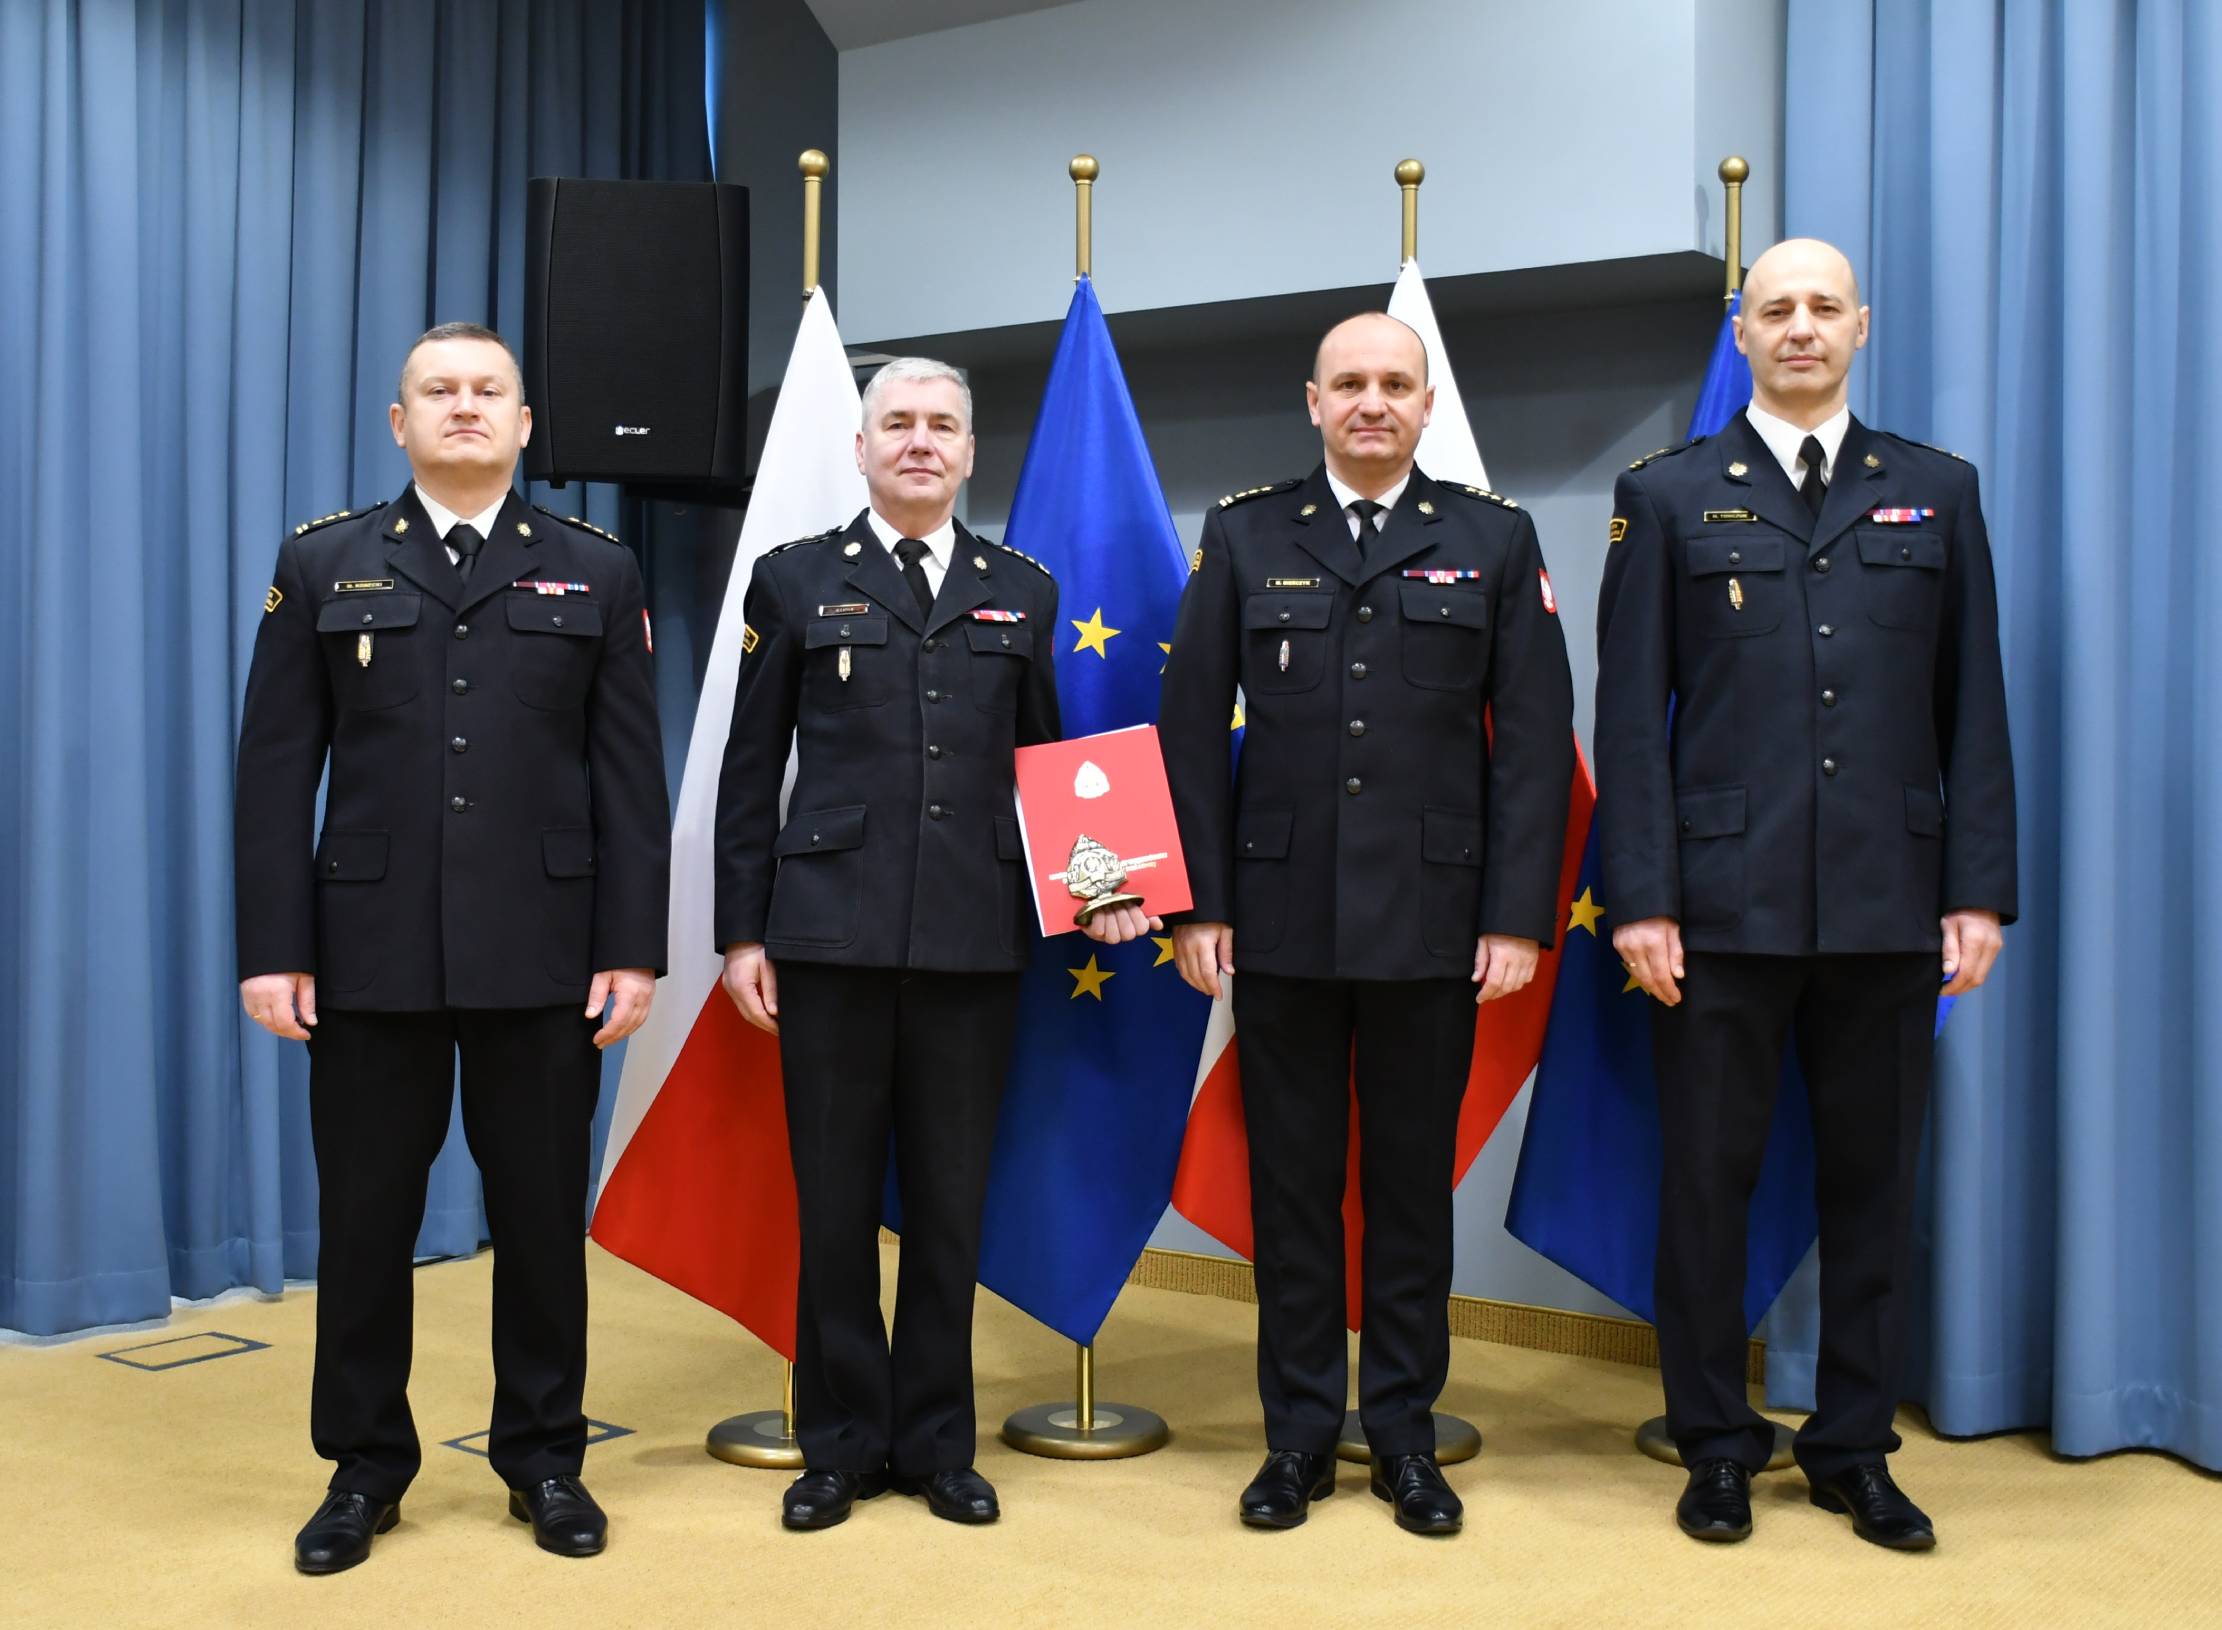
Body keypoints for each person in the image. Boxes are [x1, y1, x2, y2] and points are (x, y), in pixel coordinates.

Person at [1595, 238, 2016, 1550]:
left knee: (1872, 1192)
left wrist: (1977, 891)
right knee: (1704, 1188)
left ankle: (1851, 1448)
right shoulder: (1666, 493)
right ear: (1742, 331)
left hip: (1889, 903)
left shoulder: (1933, 490)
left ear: (1858, 326)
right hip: (1716, 907)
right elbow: (1630, 719)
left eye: (1822, 307)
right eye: (1774, 308)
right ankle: (1715, 1444)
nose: (1798, 327)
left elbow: (1973, 704)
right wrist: (1639, 896)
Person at [235, 322, 669, 1572]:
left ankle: (544, 1458)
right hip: (368, 953)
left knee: (537, 1222)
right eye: (439, 390)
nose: (464, 406)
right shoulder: (323, 562)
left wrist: (632, 947)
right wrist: (274, 947)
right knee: (364, 1223)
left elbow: (628, 778)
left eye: (488, 390)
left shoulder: (595, 569)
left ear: (524, 424)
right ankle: (363, 1467)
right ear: (400, 421)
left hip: (546, 952)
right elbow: (276, 771)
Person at [1150, 313, 1574, 1536]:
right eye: (1349, 383)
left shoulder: (1491, 538)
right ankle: (1294, 1437)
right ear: (1313, 401)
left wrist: (1515, 917)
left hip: (1432, 923)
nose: (1371, 401)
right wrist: (1196, 903)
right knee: (1290, 1193)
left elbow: (1533, 741)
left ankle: (1400, 1434)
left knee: (1406, 1193)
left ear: (1425, 402)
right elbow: (1189, 728)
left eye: (1394, 382)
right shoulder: (1244, 532)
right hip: (1277, 919)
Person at [715, 357, 1060, 1531]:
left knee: (951, 1208)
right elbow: (749, 768)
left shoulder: (1022, 588)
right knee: (833, 1204)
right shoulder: (794, 578)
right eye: (897, 422)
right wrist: (741, 931)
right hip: (829, 937)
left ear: (968, 452)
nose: (920, 440)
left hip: (972, 936)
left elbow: (1048, 763)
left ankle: (937, 1443)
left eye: (941, 424)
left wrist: (1102, 885)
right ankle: (840, 1445)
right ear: (860, 448)